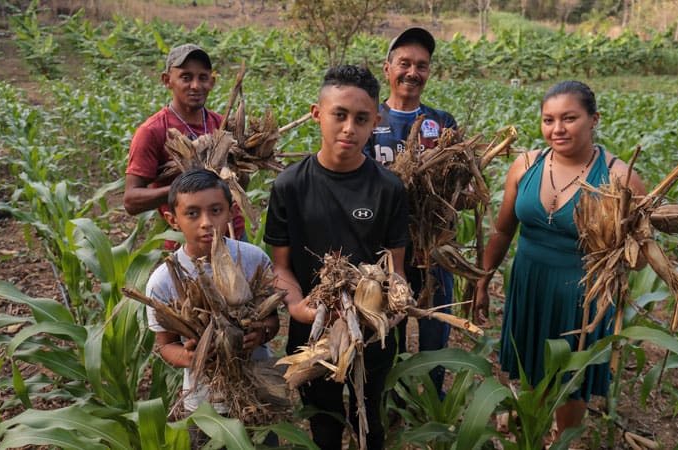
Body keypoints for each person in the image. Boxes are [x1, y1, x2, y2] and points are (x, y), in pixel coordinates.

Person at [474, 80, 646, 443]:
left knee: (571, 379)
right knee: (530, 362)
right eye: (548, 119)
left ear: (593, 119)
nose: (557, 129)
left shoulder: (620, 178)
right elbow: (503, 232)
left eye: (569, 118)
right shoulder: (525, 165)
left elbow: (640, 259)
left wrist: (626, 239)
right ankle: (533, 422)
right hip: (529, 281)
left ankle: (564, 438)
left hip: (581, 294)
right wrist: (482, 280)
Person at [264, 65, 409, 450]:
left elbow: (396, 270)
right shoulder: (290, 185)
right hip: (313, 330)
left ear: (376, 121)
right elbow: (281, 267)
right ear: (317, 113)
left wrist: (390, 310)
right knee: (324, 424)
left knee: (371, 423)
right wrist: (296, 307)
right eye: (339, 115)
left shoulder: (388, 188)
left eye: (361, 119)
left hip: (373, 332)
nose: (349, 128)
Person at [144, 168, 279, 448]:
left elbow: (273, 320)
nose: (206, 222)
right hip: (205, 405)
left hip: (258, 394)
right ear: (172, 220)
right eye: (192, 213)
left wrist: (261, 334)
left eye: (215, 210)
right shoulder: (164, 281)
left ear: (230, 212)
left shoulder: (253, 259)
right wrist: (193, 357)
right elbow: (165, 346)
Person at [365, 27, 456, 397]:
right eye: (404, 63)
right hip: (385, 251)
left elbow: (457, 191)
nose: (412, 72)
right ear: (387, 69)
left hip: (433, 250)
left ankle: (432, 398)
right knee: (389, 327)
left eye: (421, 65)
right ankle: (392, 398)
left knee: (435, 328)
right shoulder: (369, 119)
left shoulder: (443, 123)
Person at [124, 43, 246, 249]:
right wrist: (186, 187)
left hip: (233, 237)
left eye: (203, 78)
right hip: (187, 245)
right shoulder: (153, 131)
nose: (196, 85)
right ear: (167, 80)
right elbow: (131, 200)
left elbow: (240, 186)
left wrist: (240, 169)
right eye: (186, 77)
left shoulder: (222, 126)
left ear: (212, 82)